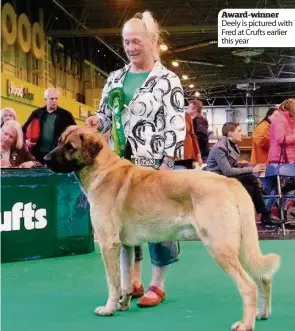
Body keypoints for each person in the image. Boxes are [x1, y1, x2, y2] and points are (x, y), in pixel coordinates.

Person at [86, 11, 185, 307]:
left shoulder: (167, 79)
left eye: (136, 42)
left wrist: (168, 162)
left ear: (151, 41)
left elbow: (176, 122)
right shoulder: (116, 77)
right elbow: (105, 115)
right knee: (124, 223)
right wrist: (95, 121)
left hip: (154, 163)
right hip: (117, 163)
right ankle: (132, 282)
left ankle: (158, 284)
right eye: (126, 42)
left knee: (159, 222)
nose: (130, 47)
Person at [206, 122, 280, 225]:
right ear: (230, 133)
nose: (243, 133)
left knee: (250, 188)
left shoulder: (233, 145)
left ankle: (251, 218)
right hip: (216, 180)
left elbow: (228, 165)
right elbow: (228, 171)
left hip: (224, 178)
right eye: (239, 131)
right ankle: (264, 214)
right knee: (251, 178)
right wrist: (252, 170)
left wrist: (238, 163)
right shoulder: (220, 147)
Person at [22, 88, 76, 163]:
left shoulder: (66, 115)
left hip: (57, 155)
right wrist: (26, 141)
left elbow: (74, 133)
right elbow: (24, 129)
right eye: (51, 99)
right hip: (38, 154)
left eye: (56, 98)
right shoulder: (36, 113)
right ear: (45, 99)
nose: (54, 101)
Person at [269, 98, 295, 163]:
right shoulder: (280, 119)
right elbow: (281, 140)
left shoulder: (288, 120)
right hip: (280, 159)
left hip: (287, 159)